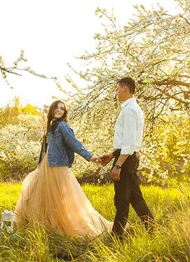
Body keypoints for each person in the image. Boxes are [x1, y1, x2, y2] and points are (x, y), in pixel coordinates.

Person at [14, 100, 112, 237]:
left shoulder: (63, 126)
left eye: (62, 108)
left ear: (64, 112)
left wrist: (89, 157)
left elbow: (74, 144)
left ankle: (66, 225)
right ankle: (45, 225)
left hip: (58, 167)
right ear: (52, 110)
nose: (59, 110)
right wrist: (39, 166)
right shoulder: (52, 126)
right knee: (40, 195)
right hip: (47, 166)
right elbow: (44, 149)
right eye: (57, 108)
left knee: (63, 200)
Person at [100, 77, 154, 240]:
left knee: (122, 201)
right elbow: (127, 142)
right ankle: (154, 230)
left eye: (117, 89)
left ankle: (116, 238)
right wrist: (112, 155)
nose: (117, 92)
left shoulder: (130, 110)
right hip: (128, 157)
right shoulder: (132, 108)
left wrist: (118, 165)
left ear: (124, 88)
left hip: (127, 160)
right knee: (135, 198)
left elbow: (129, 143)